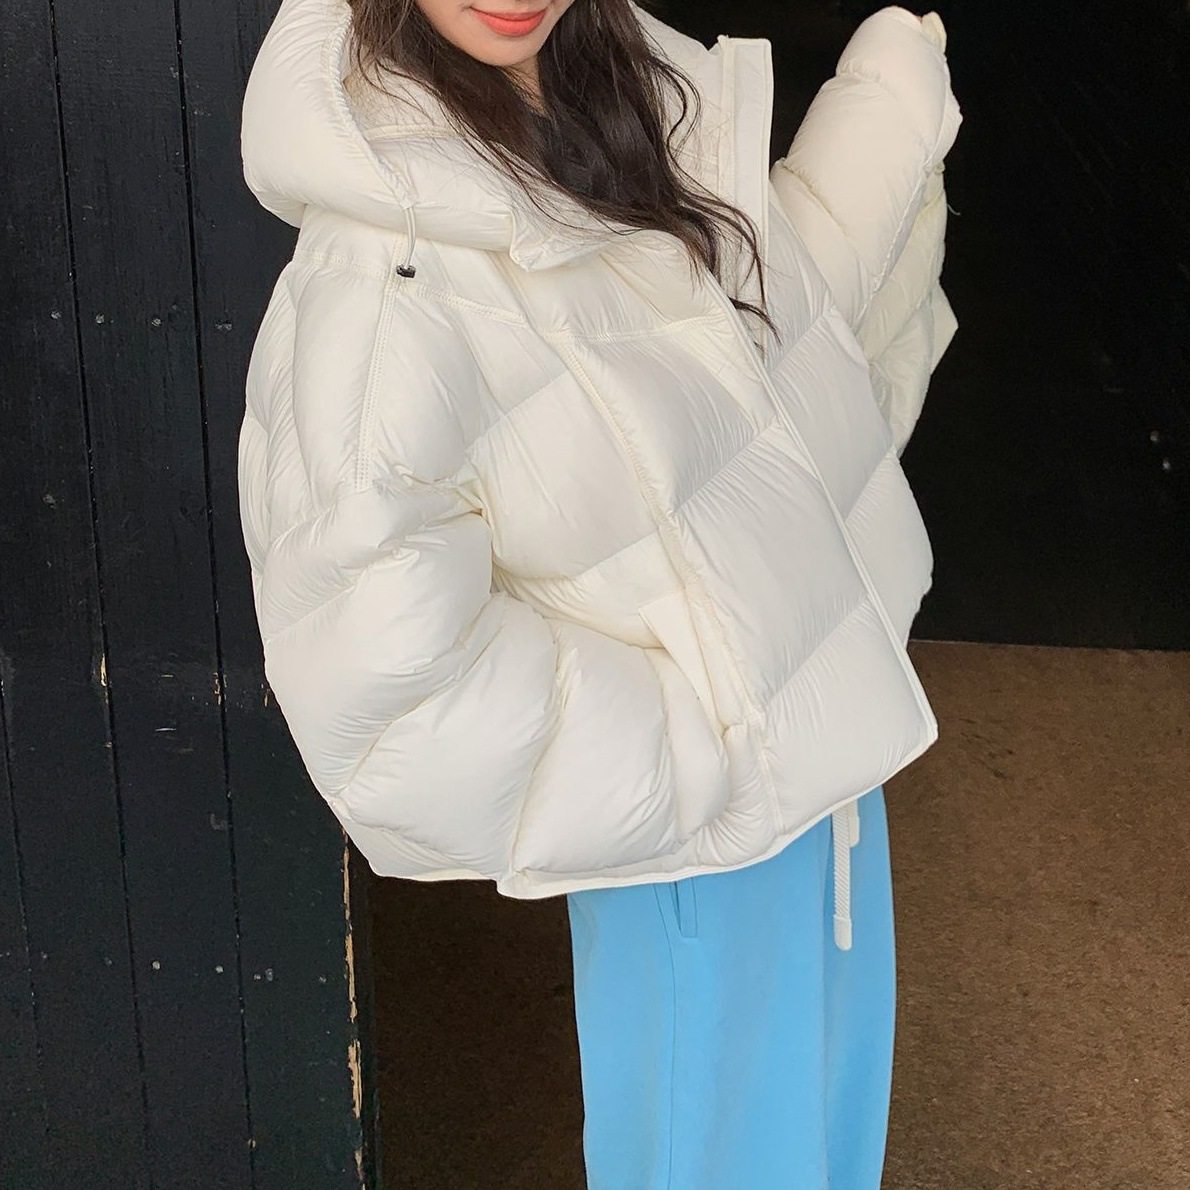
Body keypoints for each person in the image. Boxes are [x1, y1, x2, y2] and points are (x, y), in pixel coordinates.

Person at [237, 0, 960, 1185]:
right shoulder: (383, 270)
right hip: (695, 831)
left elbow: (744, 387)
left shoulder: (621, 103)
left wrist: (885, 104)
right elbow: (381, 686)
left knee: (823, 1149)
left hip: (821, 774)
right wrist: (703, 742)